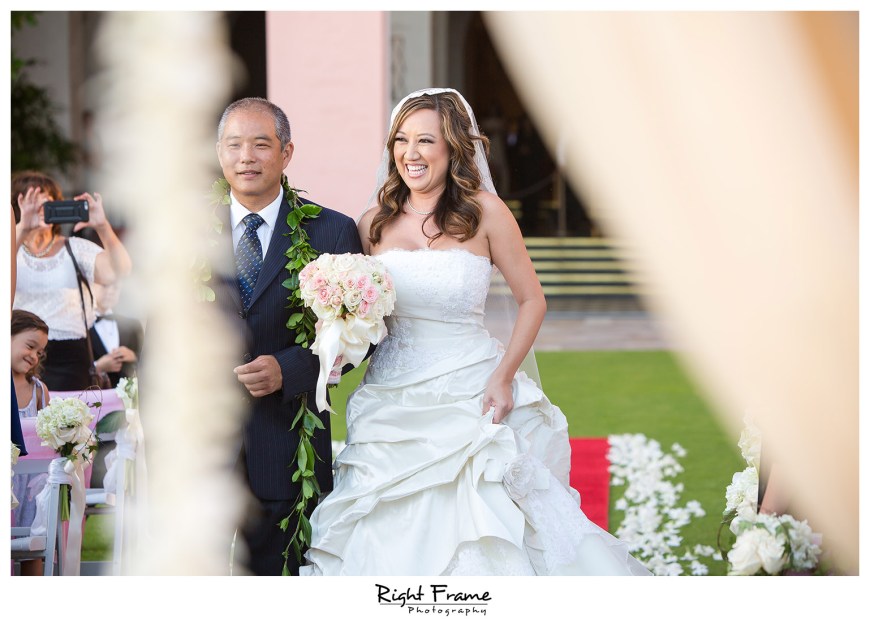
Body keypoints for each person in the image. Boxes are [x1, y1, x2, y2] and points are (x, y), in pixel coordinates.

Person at [301, 88, 650, 576]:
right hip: (391, 402)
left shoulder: (485, 212)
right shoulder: (372, 224)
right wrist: (340, 341)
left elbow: (533, 300)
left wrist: (504, 376)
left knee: (487, 516)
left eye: (426, 140)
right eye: (401, 140)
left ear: (453, 148)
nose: (411, 153)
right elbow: (369, 317)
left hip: (472, 388)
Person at [213, 97, 363, 576]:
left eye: (261, 144)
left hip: (288, 446)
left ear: (287, 152)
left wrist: (291, 369)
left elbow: (361, 336)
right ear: (219, 153)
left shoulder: (332, 231)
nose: (247, 157)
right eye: (234, 145)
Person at [12, 170, 132, 391]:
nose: (41, 211)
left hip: (71, 360)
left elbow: (120, 270)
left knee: (73, 423)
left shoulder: (74, 248)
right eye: (33, 204)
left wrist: (102, 226)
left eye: (48, 204)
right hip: (20, 356)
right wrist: (20, 229)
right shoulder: (12, 249)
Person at [10, 309, 51, 576]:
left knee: (33, 548)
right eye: (30, 346)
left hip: (31, 487)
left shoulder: (39, 391)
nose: (34, 356)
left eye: (39, 352)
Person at [90, 282, 143, 388]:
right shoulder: (80, 327)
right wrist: (97, 367)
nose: (110, 291)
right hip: (94, 398)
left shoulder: (133, 325)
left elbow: (149, 364)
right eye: (104, 285)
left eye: (115, 287)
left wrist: (133, 357)